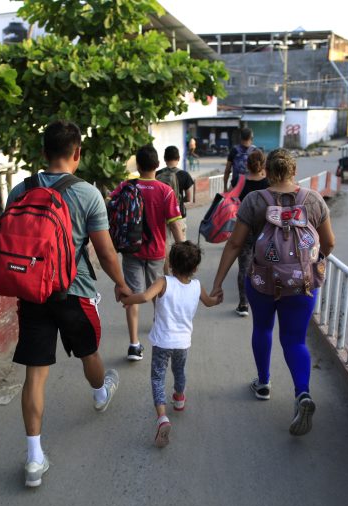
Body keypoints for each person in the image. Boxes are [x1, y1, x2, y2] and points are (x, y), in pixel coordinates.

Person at [5, 120, 133, 487]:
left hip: (32, 293)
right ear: (77, 153)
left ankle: (34, 459)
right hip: (74, 291)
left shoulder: (20, 190)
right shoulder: (87, 194)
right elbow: (105, 253)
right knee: (88, 352)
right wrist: (121, 284)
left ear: (43, 152)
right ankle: (100, 392)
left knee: (35, 373)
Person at [210, 149, 335, 436]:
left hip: (262, 282)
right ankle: (302, 393)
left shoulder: (255, 200)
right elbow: (329, 243)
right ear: (294, 171)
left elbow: (235, 244)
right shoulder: (313, 200)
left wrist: (217, 283)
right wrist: (309, 264)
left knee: (263, 329)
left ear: (266, 170)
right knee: (295, 341)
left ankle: (263, 383)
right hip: (302, 285)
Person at [120, 241, 220, 447]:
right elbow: (209, 302)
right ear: (195, 268)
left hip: (162, 342)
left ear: (170, 263)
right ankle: (179, 398)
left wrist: (127, 300)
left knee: (158, 377)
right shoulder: (197, 286)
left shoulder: (163, 282)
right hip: (182, 343)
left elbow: (145, 297)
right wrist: (217, 299)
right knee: (179, 371)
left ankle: (162, 418)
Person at [110, 145, 185, 362]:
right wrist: (183, 252)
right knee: (158, 293)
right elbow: (175, 225)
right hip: (156, 252)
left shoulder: (126, 186)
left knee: (132, 295)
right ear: (157, 165)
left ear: (138, 165)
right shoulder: (165, 191)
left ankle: (134, 345)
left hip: (130, 250)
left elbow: (110, 205)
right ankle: (162, 334)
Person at [233, 149, 268, 317]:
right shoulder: (268, 184)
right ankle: (263, 300)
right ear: (263, 165)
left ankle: (243, 304)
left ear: (247, 164)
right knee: (264, 266)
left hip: (243, 230)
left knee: (244, 268)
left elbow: (231, 200)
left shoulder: (239, 181)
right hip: (265, 232)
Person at [156, 145, 195, 220]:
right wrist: (179, 200)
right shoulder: (184, 175)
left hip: (161, 214)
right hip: (178, 214)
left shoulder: (157, 174)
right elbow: (189, 198)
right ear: (179, 158)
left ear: (164, 158)